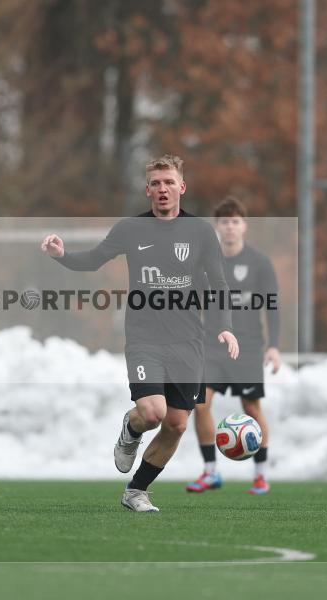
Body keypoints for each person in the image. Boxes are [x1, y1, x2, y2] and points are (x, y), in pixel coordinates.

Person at [41, 154, 239, 512]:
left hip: (188, 342)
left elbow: (219, 283)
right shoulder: (131, 229)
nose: (162, 189)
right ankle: (130, 430)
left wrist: (225, 328)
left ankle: (136, 491)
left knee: (177, 425)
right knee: (152, 413)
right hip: (145, 338)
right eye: (156, 183)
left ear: (182, 186)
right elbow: (94, 260)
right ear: (147, 189)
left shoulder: (200, 232)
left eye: (169, 182)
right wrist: (62, 255)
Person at [185, 197, 280, 495]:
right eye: (225, 222)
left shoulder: (259, 263)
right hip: (212, 346)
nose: (230, 227)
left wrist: (274, 346)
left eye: (235, 221)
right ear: (217, 227)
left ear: (245, 226)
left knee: (251, 407)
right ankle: (210, 471)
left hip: (249, 347)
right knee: (200, 404)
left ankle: (261, 474)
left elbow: (273, 308)